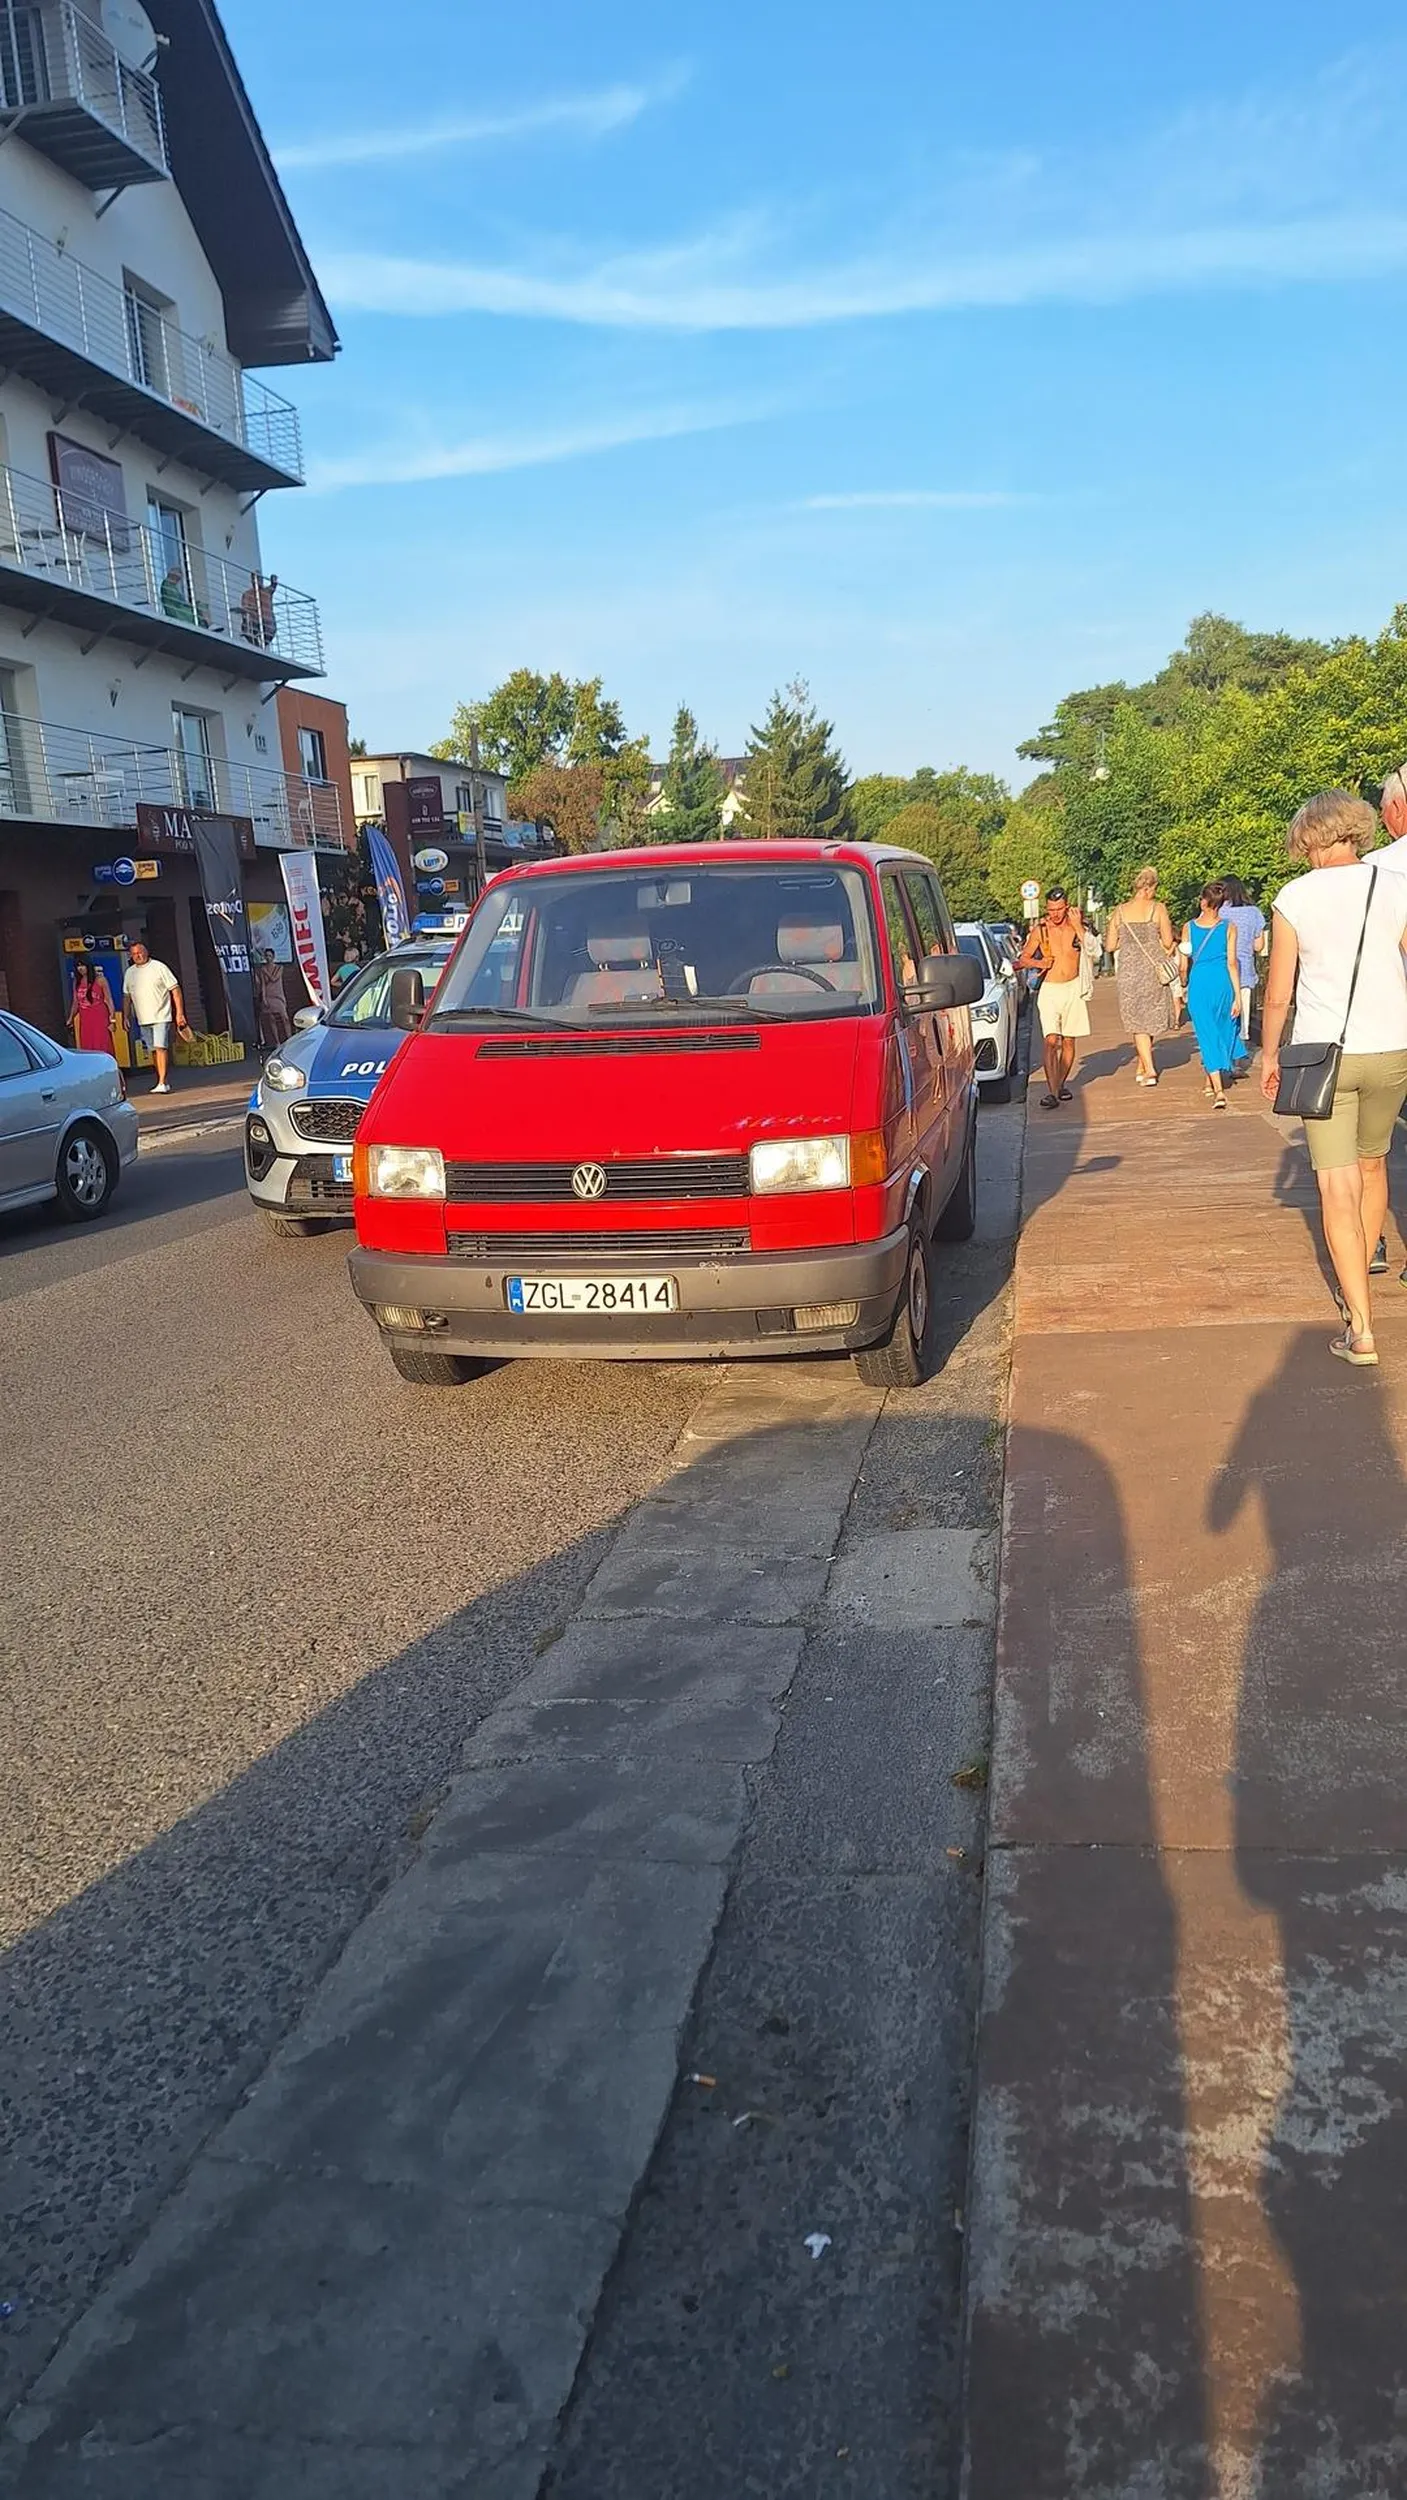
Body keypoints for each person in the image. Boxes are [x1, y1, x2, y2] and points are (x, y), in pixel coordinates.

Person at [1261, 790, 1407, 1366]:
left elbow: (1279, 991)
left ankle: (1362, 1327)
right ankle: (1364, 1289)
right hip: (1392, 1049)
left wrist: (1270, 1055)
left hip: (1325, 1054)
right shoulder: (1393, 885)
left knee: (1335, 1186)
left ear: (1309, 838)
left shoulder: (1294, 896)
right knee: (1374, 1165)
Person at [1017, 887, 1092, 1108]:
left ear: (1067, 907)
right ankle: (1052, 1093)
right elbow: (1023, 958)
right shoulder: (1041, 930)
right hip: (1050, 989)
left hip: (1074, 988)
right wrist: (1040, 963)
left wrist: (1078, 926)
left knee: (1068, 1040)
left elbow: (1093, 950)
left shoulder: (1077, 926)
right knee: (1051, 1041)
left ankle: (1059, 1085)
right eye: (1051, 910)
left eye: (1059, 909)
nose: (1055, 914)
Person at [1104, 865, 1177, 1086]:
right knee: (1150, 1017)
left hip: (1129, 970)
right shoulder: (1158, 909)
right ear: (1150, 887)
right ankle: (1144, 1065)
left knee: (1137, 1021)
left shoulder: (1120, 911)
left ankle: (1149, 1069)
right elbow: (1166, 941)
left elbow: (1109, 945)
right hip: (1153, 969)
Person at [1179, 883, 1244, 1107]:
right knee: (1221, 1029)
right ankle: (1212, 1082)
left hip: (1200, 983)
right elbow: (1232, 963)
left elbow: (1183, 961)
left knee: (1206, 1033)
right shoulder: (1229, 927)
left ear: (1204, 902)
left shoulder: (1188, 927)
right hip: (1222, 982)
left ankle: (1218, 1090)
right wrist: (1238, 996)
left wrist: (1183, 982)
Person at [122, 939, 191, 1093]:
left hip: (161, 1015)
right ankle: (160, 1078)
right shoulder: (130, 972)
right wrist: (125, 1016)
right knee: (153, 1049)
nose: (138, 956)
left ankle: (162, 1081)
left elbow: (175, 989)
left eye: (140, 952)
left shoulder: (159, 967)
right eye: (134, 954)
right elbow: (126, 996)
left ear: (146, 952)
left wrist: (179, 1013)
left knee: (161, 1047)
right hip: (142, 1018)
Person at [1219, 875, 1267, 1048]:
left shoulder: (1216, 912)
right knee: (1242, 1016)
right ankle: (1238, 1055)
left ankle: (1222, 1054)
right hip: (1244, 970)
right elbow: (1258, 945)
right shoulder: (1254, 912)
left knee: (1221, 1015)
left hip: (1219, 970)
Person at [69, 960, 117, 1055]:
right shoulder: (77, 982)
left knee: (102, 1045)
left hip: (99, 1018)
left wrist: (112, 1020)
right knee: (87, 1046)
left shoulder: (100, 980)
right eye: (78, 966)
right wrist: (70, 1019)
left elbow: (109, 1000)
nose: (81, 968)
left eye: (83, 965)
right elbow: (75, 1002)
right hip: (85, 1020)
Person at [254, 948, 292, 1049]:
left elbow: (274, 978)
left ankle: (289, 1039)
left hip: (278, 995)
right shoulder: (263, 970)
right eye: (266, 956)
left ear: (274, 957)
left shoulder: (279, 968)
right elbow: (262, 984)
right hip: (269, 995)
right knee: (271, 1018)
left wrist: (265, 971)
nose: (268, 958)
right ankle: (277, 1041)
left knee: (284, 1017)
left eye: (270, 956)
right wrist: (264, 997)